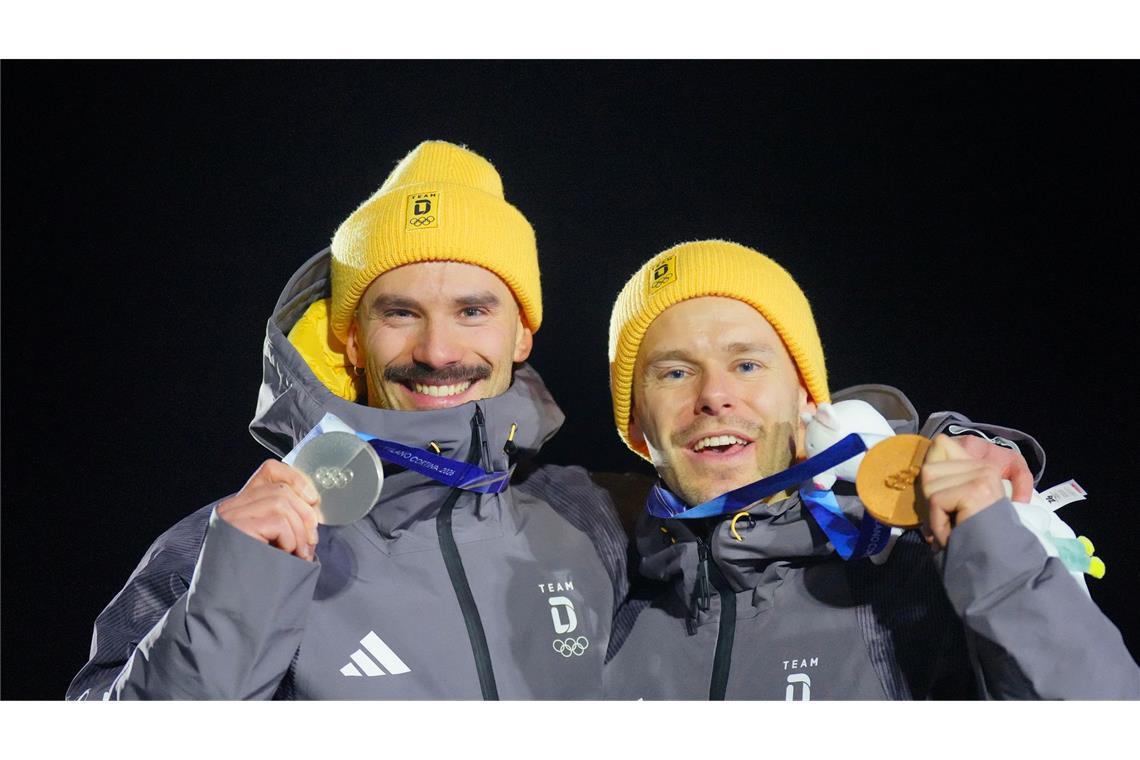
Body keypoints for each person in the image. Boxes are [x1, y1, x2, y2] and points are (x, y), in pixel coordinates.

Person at [66, 140, 630, 700]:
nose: (437, 351)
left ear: (521, 333)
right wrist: (236, 592)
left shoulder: (593, 518)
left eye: (472, 311)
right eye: (401, 313)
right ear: (354, 340)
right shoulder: (227, 546)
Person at [602, 239, 1140, 699]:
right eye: (674, 372)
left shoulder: (926, 578)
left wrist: (997, 551)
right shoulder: (600, 605)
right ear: (636, 424)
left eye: (747, 364)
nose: (714, 395)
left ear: (806, 399)